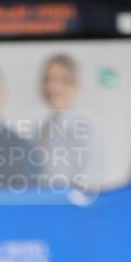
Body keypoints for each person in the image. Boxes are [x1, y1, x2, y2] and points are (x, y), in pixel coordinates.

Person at [37, 54, 96, 191]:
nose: (51, 87)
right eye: (47, 80)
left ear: (74, 84)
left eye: (60, 80)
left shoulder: (85, 127)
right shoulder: (44, 126)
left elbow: (87, 180)